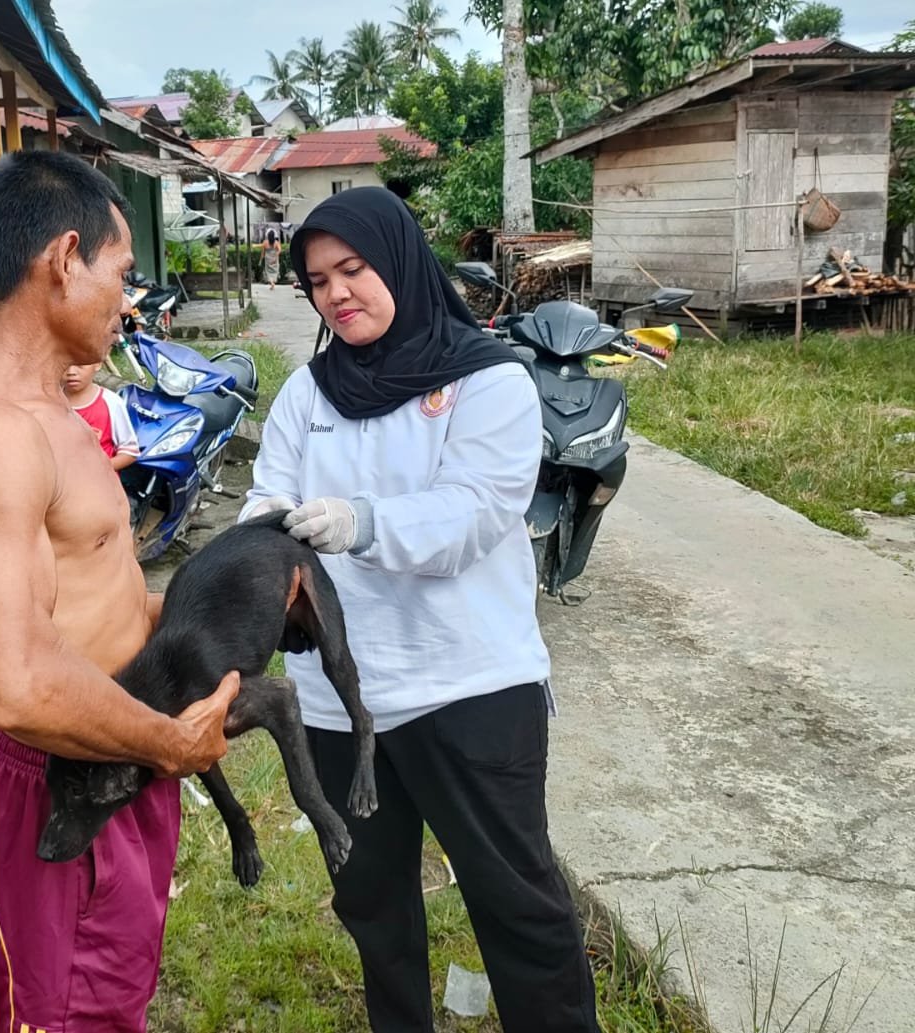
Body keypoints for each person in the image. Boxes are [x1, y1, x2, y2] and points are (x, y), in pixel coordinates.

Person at [240, 187, 600, 1033]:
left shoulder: (490, 380)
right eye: (319, 280)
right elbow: (269, 500)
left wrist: (363, 522)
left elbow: (476, 511)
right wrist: (260, 553)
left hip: (468, 686)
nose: (338, 294)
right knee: (371, 903)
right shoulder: (307, 394)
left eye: (354, 269)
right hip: (340, 705)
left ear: (399, 260)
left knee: (518, 902)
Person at [0, 150, 238, 1033]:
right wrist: (169, 741)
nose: (127, 298)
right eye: (121, 273)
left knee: (107, 997)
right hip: (71, 769)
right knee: (71, 1015)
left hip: (113, 745)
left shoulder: (55, 413)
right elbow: (16, 680)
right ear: (63, 259)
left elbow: (98, 599)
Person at [64, 361, 140, 472]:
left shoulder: (111, 402)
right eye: (65, 363)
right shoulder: (49, 402)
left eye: (80, 364)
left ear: (98, 364)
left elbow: (130, 453)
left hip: (98, 485)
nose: (71, 372)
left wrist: (96, 471)